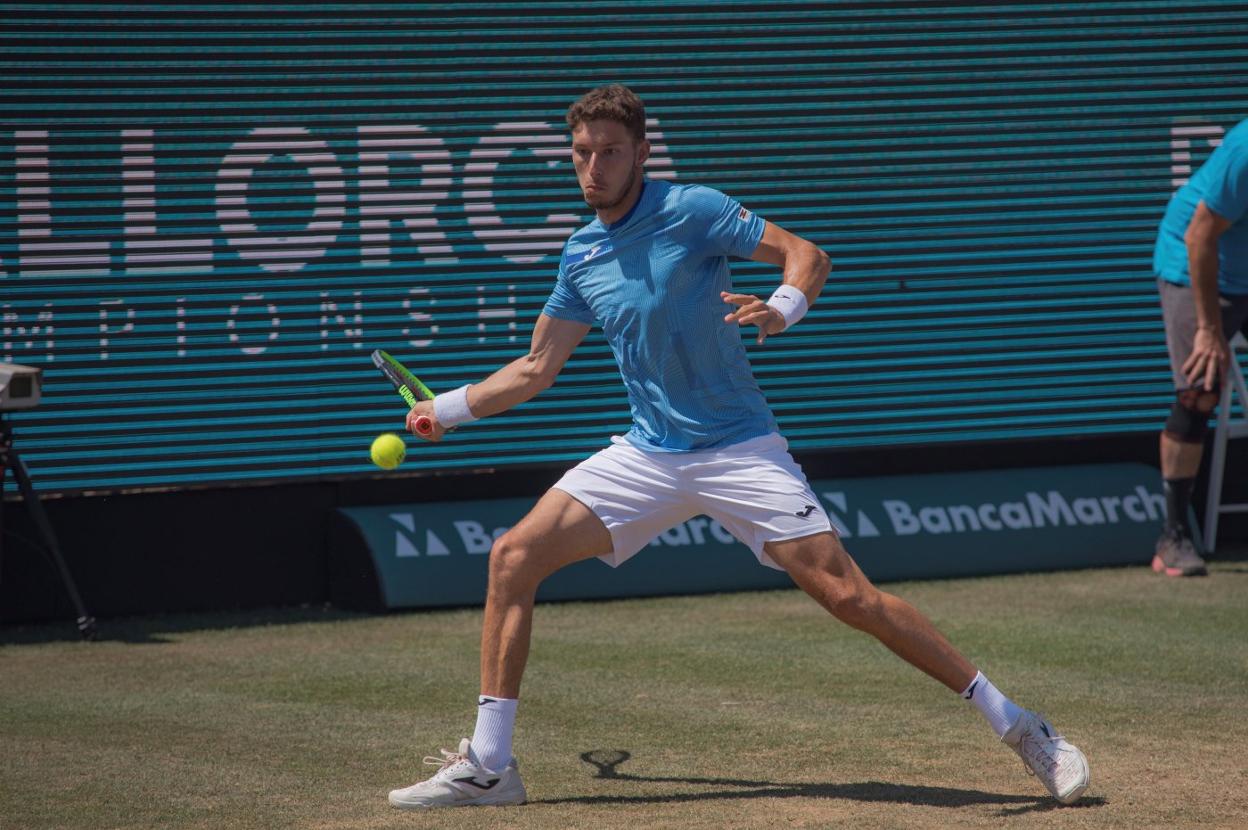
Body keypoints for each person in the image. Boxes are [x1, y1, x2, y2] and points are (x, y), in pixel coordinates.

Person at [387, 84, 1089, 809]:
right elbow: (537, 367)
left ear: (642, 154)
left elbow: (805, 256)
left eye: (610, 152)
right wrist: (446, 409)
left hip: (738, 448)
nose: (593, 167)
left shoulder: (689, 209)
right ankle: (491, 767)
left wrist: (781, 308)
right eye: (581, 153)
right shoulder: (581, 255)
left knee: (848, 596)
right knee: (513, 557)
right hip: (649, 454)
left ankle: (1024, 728)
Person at [1152, 117, 1248, 577]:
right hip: (1197, 263)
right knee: (1200, 390)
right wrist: (1210, 328)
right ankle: (1173, 537)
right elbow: (1199, 236)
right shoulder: (1245, 149)